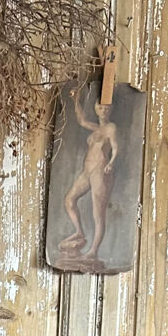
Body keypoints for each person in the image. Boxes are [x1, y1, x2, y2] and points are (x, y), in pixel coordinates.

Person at [59, 86, 119, 261]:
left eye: (107, 108)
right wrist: (76, 100)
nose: (104, 111)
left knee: (98, 212)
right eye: (101, 107)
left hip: (101, 170)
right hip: (87, 171)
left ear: (111, 110)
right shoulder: (96, 129)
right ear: (96, 109)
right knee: (69, 200)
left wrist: (111, 162)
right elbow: (82, 120)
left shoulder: (111, 128)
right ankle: (79, 231)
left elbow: (115, 147)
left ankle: (93, 251)